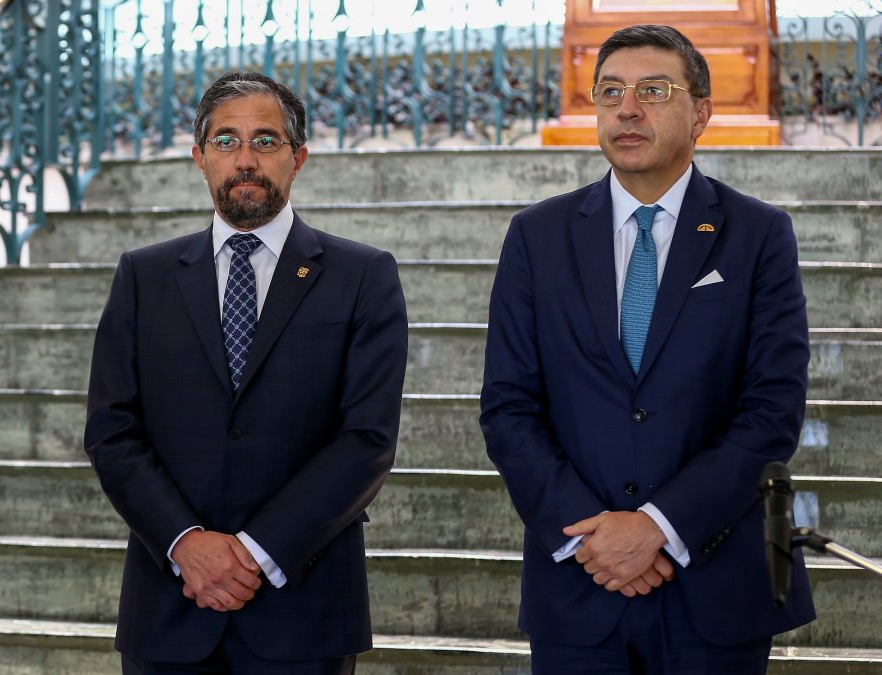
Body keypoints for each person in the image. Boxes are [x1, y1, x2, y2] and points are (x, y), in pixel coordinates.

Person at [479, 24, 814, 673]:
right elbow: (508, 407)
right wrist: (595, 536)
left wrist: (659, 525)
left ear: (702, 113)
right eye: (610, 92)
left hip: (717, 586)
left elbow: (772, 410)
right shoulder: (535, 236)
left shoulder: (759, 234)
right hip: (580, 584)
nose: (627, 109)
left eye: (653, 91)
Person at [85, 71, 408, 673]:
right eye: (227, 141)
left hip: (303, 607)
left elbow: (366, 440)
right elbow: (112, 432)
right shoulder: (143, 277)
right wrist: (188, 544)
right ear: (200, 157)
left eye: (266, 141)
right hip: (169, 606)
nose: (245, 160)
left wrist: (256, 552)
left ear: (299, 158)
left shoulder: (363, 275)